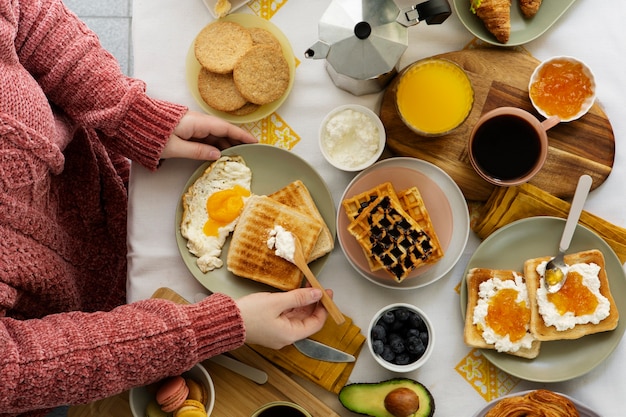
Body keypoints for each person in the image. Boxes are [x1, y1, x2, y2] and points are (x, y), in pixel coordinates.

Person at [0, 0, 331, 416]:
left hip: (106, 184)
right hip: (93, 329)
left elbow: (27, 19)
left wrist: (132, 117)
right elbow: (15, 373)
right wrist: (218, 327)